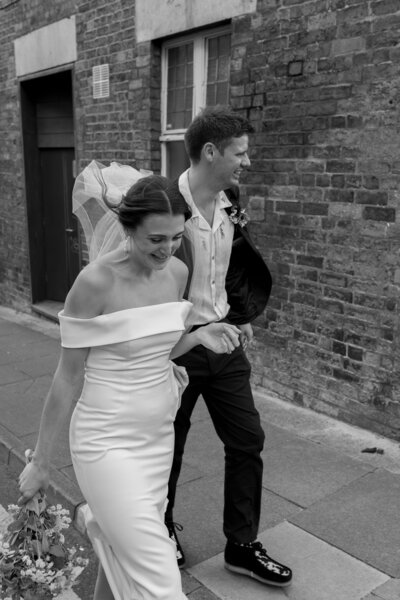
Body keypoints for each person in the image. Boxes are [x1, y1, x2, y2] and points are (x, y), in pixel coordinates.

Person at [18, 168, 241, 600]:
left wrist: (197, 336)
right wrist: (42, 463)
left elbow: (156, 348)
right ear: (127, 228)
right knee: (160, 577)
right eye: (155, 239)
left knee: (123, 557)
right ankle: (102, 514)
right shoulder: (95, 282)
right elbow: (67, 377)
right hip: (106, 441)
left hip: (156, 440)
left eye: (176, 236)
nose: (168, 249)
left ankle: (105, 528)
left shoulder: (176, 272)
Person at [165, 105, 293, 588]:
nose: (247, 161)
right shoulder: (164, 203)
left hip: (224, 342)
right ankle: (161, 528)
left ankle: (241, 545)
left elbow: (232, 263)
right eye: (240, 152)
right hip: (175, 348)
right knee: (168, 446)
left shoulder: (230, 198)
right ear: (210, 152)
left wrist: (238, 316)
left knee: (248, 440)